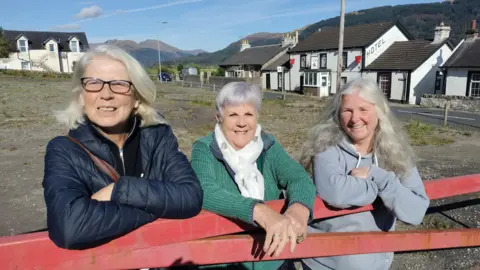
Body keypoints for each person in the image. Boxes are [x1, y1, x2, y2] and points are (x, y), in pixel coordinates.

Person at [43, 44, 203, 250]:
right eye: (94, 83)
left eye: (119, 84)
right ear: (81, 96)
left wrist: (120, 190)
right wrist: (159, 207)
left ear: (136, 97)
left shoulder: (159, 137)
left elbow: (190, 196)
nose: (106, 94)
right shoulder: (63, 150)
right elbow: (70, 226)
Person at [299, 78, 430, 270]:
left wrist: (379, 177)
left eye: (363, 109)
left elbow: (416, 211)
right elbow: (335, 192)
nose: (354, 118)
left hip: (376, 264)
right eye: (347, 110)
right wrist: (379, 190)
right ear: (338, 114)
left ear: (379, 112)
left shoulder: (395, 153)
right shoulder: (326, 147)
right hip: (325, 264)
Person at [190, 81, 316, 270]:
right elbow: (204, 190)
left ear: (257, 116)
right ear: (219, 117)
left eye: (248, 114)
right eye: (233, 114)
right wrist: (259, 211)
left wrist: (298, 209)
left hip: (273, 259)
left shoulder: (267, 146)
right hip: (226, 261)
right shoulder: (205, 149)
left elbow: (298, 177)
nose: (242, 123)